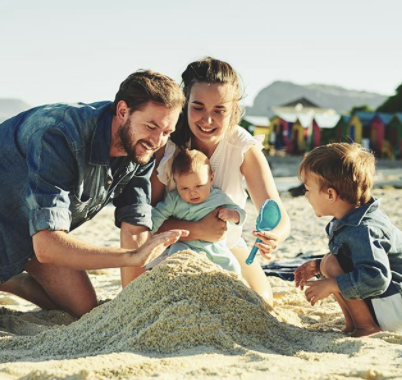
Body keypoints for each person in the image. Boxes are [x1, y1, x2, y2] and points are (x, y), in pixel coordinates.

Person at [0, 70, 188, 328]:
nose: (158, 140)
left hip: (29, 219)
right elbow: (48, 246)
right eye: (151, 126)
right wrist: (128, 257)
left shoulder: (141, 150)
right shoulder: (60, 135)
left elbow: (135, 229)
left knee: (84, 309)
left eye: (167, 132)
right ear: (123, 111)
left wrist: (132, 309)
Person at [122, 57, 291, 307]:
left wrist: (273, 236)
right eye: (198, 107)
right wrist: (199, 230)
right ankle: (130, 302)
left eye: (219, 110)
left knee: (261, 303)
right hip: (173, 246)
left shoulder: (242, 148)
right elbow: (146, 223)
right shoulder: (168, 147)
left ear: (233, 109)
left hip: (226, 245)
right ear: (185, 103)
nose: (207, 120)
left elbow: (278, 214)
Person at [293, 143, 402, 337]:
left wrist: (331, 284)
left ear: (330, 194)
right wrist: (317, 266)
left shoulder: (364, 228)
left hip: (398, 306)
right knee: (328, 263)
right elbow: (352, 260)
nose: (305, 195)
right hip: (391, 302)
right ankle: (354, 324)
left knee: (331, 264)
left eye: (307, 189)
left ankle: (366, 326)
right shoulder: (352, 219)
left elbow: (376, 277)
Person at [150, 148, 246, 274]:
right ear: (176, 183)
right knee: (175, 261)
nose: (192, 192)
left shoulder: (218, 197)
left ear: (211, 179)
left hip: (214, 247)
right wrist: (147, 233)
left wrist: (232, 214)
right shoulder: (174, 199)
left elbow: (241, 214)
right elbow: (158, 214)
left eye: (199, 186)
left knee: (233, 267)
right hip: (185, 245)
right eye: (184, 188)